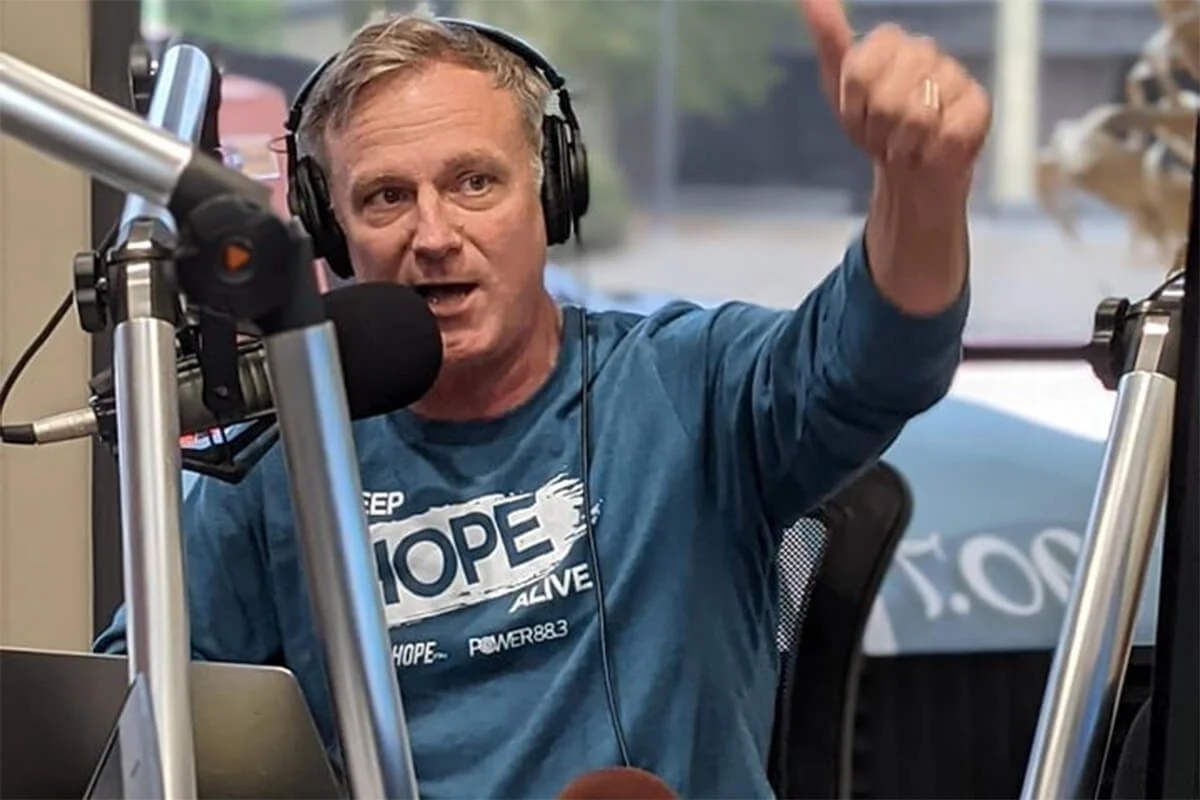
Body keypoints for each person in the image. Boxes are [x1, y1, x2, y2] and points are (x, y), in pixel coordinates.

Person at [96, 2, 991, 797]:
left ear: (552, 194)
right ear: (332, 234)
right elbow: (132, 722)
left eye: (474, 182)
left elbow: (880, 361)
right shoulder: (278, 459)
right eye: (386, 197)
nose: (434, 235)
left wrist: (922, 189)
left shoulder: (689, 383)